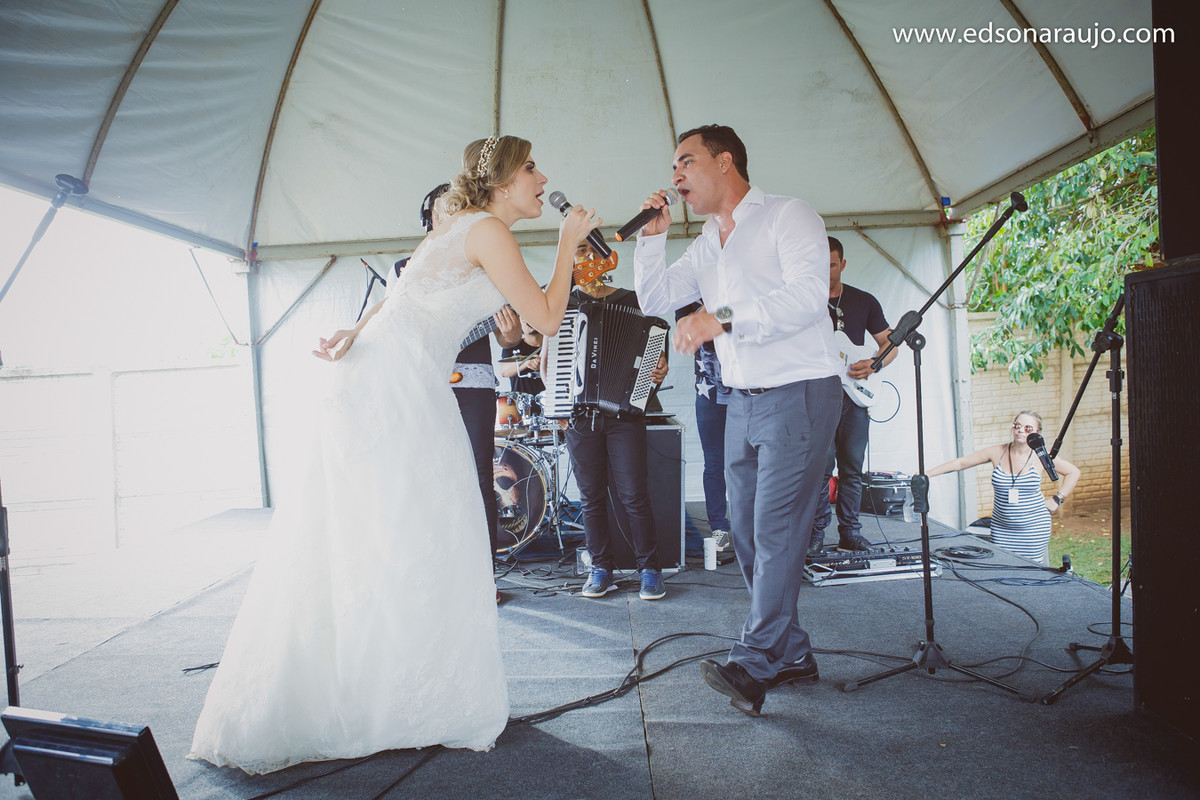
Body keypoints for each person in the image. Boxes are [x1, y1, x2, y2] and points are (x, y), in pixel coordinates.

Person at [188, 135, 600, 773]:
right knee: (425, 532)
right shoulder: (488, 229)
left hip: (390, 378)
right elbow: (547, 318)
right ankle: (392, 695)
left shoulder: (460, 225)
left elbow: (401, 294)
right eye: (531, 168)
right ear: (502, 181)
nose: (543, 178)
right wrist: (570, 244)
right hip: (398, 387)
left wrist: (355, 329)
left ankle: (388, 689)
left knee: (394, 536)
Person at [633, 124, 841, 716]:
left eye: (685, 163)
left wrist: (718, 316)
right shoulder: (706, 244)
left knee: (775, 530)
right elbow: (654, 299)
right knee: (745, 531)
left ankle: (753, 664)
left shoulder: (787, 215)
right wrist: (652, 240)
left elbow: (807, 296)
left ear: (725, 162)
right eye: (673, 167)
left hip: (800, 389)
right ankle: (792, 651)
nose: (675, 177)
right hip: (740, 398)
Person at [397, 183, 523, 559]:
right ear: (429, 219)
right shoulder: (405, 269)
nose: (449, 216)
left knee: (479, 476)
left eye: (456, 208)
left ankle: (486, 573)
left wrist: (513, 334)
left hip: (475, 384)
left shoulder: (488, 263)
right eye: (441, 210)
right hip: (424, 381)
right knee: (428, 475)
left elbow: (507, 338)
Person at [568, 240, 671, 601]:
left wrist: (659, 366)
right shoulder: (565, 305)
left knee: (634, 495)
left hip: (624, 412)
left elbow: (658, 342)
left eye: (591, 249)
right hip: (580, 416)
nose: (585, 257)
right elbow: (548, 357)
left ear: (604, 257)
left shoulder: (633, 299)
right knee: (590, 497)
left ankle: (651, 570)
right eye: (578, 250)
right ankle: (601, 569)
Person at [809, 235, 898, 555]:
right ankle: (816, 532)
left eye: (831, 264)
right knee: (820, 467)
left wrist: (873, 365)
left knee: (852, 468)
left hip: (855, 398)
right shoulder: (805, 301)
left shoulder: (864, 301)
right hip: (819, 395)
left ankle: (850, 531)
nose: (825, 270)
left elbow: (891, 344)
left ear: (842, 264)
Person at [927, 410, 1080, 565]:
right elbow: (960, 463)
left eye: (1028, 428)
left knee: (1031, 572)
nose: (1020, 430)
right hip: (1002, 529)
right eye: (1017, 425)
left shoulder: (1041, 456)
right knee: (1002, 568)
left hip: (1033, 528)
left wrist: (1057, 499)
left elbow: (1073, 472)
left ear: (1037, 433)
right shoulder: (997, 452)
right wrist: (926, 474)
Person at [676, 300, 732, 551]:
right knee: (714, 463)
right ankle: (720, 527)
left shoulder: (733, 285)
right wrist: (715, 308)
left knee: (750, 463)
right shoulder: (690, 298)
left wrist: (722, 310)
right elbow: (687, 327)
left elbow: (738, 316)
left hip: (746, 393)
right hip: (709, 396)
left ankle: (752, 525)